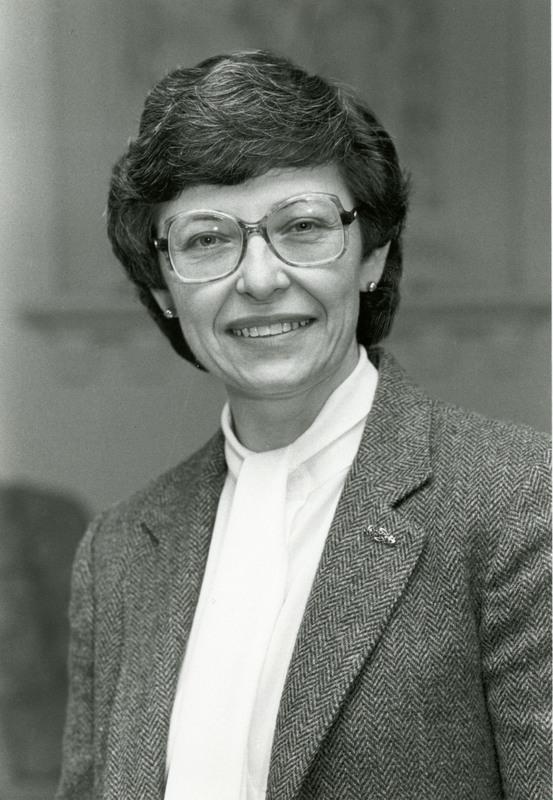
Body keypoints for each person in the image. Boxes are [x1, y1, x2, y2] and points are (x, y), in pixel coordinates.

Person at [56, 50, 551, 800]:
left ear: (371, 257)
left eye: (302, 226)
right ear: (160, 288)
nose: (259, 279)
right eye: (206, 240)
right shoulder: (120, 551)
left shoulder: (517, 502)